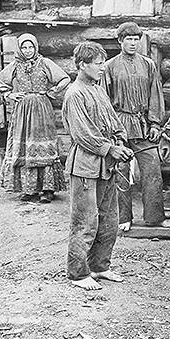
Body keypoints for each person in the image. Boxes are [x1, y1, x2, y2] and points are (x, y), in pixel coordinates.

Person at [62, 41, 134, 291]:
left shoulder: (98, 90)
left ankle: (100, 267)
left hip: (107, 166)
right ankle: (78, 273)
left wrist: (121, 139)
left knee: (109, 220)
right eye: (97, 63)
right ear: (82, 65)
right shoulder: (75, 94)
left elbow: (114, 121)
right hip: (85, 167)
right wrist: (110, 148)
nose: (102, 67)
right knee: (85, 221)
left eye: (103, 62)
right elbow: (83, 134)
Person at [101, 22, 170, 230]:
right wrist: (112, 129)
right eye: (128, 39)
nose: (133, 43)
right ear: (120, 41)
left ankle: (154, 218)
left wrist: (155, 123)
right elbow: (105, 100)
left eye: (136, 39)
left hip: (143, 125)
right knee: (121, 172)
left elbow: (155, 95)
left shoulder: (148, 64)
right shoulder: (110, 66)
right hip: (120, 124)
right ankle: (123, 219)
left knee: (152, 170)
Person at [0, 33, 70, 203]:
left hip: (42, 108)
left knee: (43, 145)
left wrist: (51, 92)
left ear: (35, 48)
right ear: (19, 49)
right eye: (24, 47)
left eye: (31, 47)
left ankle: (48, 189)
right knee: (26, 146)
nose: (28, 51)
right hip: (22, 110)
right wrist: (9, 94)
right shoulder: (15, 65)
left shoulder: (45, 63)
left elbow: (65, 78)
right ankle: (30, 189)